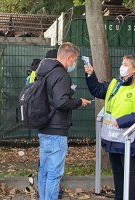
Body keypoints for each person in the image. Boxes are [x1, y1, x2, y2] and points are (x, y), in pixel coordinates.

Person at [84, 55, 135, 200]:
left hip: (128, 137)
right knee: (118, 171)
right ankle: (119, 197)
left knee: (129, 171)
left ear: (134, 69)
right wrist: (90, 74)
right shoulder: (115, 84)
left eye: (126, 64)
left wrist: (121, 121)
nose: (122, 66)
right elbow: (97, 90)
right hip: (112, 136)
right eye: (122, 63)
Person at [36, 42, 91, 200]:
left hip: (44, 127)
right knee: (54, 175)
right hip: (57, 130)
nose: (74, 64)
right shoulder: (61, 75)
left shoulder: (44, 71)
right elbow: (61, 102)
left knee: (44, 172)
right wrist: (78, 102)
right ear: (69, 57)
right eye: (74, 60)